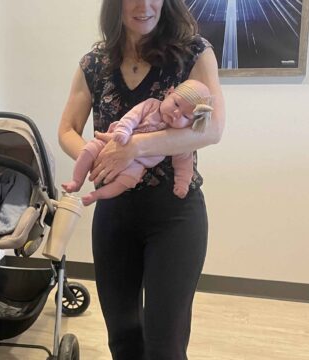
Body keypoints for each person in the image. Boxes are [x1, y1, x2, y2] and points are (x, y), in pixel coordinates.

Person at [58, 0, 225, 358]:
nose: (144, 5)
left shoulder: (194, 53)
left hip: (175, 215)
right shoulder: (94, 64)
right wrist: (100, 158)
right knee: (123, 336)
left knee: (165, 341)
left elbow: (212, 129)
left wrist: (134, 148)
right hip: (114, 215)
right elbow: (67, 130)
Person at [62, 79, 213, 205]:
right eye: (176, 104)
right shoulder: (151, 105)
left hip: (137, 164)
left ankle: (97, 195)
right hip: (114, 141)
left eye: (186, 117)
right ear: (169, 93)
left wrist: (182, 183)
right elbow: (132, 117)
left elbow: (184, 163)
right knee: (89, 149)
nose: (176, 113)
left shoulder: (179, 136)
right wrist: (123, 130)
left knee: (127, 180)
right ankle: (76, 181)